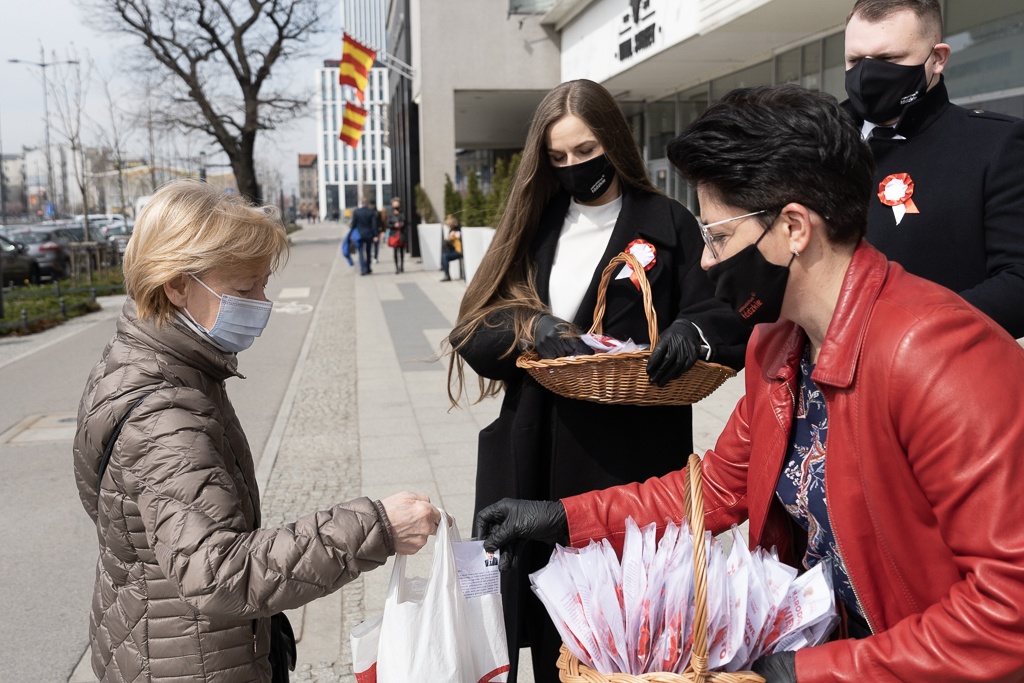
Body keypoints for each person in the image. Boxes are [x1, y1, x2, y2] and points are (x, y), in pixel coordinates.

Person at [475, 84, 1024, 683]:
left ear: (793, 228)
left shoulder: (940, 356)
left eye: (718, 237)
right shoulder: (778, 345)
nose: (706, 263)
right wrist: (561, 517)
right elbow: (713, 488)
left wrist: (808, 672)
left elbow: (1008, 612)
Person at [73, 180, 441, 683]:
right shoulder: (165, 410)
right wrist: (376, 527)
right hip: (189, 662)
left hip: (160, 642)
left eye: (263, 284)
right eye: (244, 289)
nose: (263, 302)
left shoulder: (146, 363)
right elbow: (217, 571)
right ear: (176, 285)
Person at [446, 79, 750, 682]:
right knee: (544, 633)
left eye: (584, 152)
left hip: (630, 457)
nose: (572, 168)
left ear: (613, 142)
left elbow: (725, 311)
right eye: (557, 158)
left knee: (625, 634)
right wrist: (532, 327)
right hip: (534, 447)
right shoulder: (535, 225)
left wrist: (694, 332)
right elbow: (475, 325)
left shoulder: (669, 222)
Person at [843, 0, 1024, 338]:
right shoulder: (812, 145)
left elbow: (1018, 282)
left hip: (933, 374)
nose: (867, 74)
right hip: (814, 381)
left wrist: (908, 329)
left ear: (937, 59)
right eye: (854, 60)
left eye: (889, 59)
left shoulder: (994, 144)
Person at [350, 195, 379, 275]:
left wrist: (351, 234)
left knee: (361, 252)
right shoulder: (371, 212)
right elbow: (374, 225)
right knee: (369, 252)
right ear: (367, 203)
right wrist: (375, 235)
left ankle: (363, 269)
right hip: (369, 234)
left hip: (359, 234)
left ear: (361, 203)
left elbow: (353, 224)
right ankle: (368, 268)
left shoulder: (356, 212)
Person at [387, 197, 407, 274]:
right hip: (394, 235)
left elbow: (405, 221)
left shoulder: (402, 213)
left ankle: (402, 265)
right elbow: (388, 224)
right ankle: (396, 267)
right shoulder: (390, 214)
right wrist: (394, 225)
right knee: (395, 251)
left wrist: (401, 224)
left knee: (402, 251)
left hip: (401, 234)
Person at [439, 214, 462, 281]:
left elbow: (459, 237)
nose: (449, 226)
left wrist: (454, 235)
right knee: (443, 255)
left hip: (459, 251)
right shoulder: (451, 231)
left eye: (449, 225)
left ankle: (447, 275)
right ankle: (446, 274)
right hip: (453, 250)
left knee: (444, 257)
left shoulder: (458, 230)